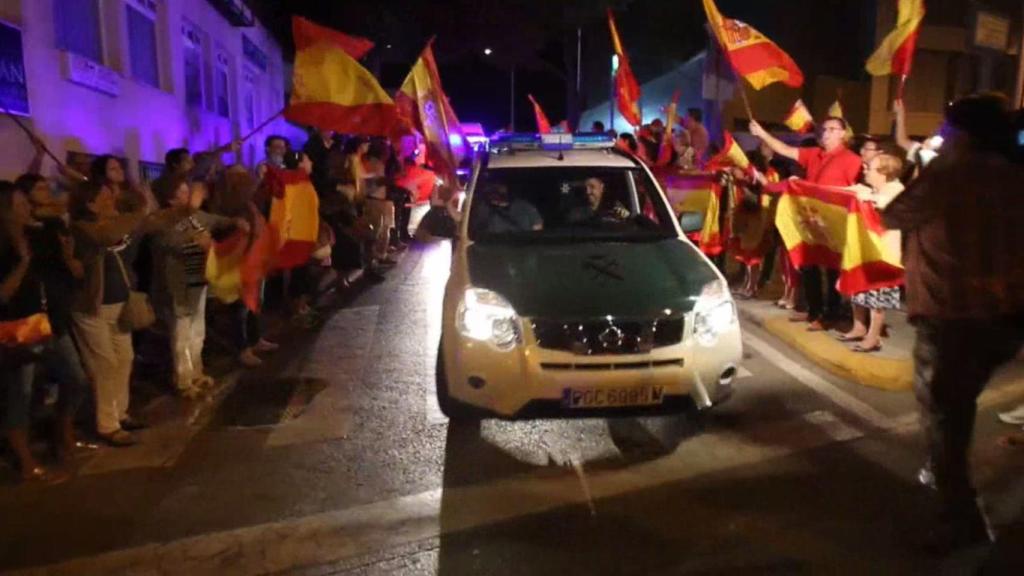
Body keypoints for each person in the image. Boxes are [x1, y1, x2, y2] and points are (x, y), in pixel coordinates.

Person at [882, 93, 1024, 551]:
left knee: (944, 417)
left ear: (961, 134)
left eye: (947, 130)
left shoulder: (950, 174)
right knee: (956, 409)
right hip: (1003, 317)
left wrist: (927, 167)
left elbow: (894, 213)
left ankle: (961, 519)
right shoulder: (1013, 174)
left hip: (951, 316)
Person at [68, 179, 174, 446]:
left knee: (124, 358)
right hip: (92, 308)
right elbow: (107, 236)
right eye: (104, 197)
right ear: (89, 204)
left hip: (120, 304)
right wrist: (138, 212)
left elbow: (152, 224)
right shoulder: (82, 228)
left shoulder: (116, 224)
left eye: (111, 196)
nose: (111, 201)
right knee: (104, 364)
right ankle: (107, 424)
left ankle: (120, 412)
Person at [1, 181, 88, 483]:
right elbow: (4, 295)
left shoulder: (39, 234)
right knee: (20, 393)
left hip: (50, 321)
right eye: (20, 204)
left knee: (75, 379)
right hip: (17, 327)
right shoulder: (6, 246)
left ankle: (62, 433)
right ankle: (25, 460)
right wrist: (22, 261)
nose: (27, 208)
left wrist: (67, 257)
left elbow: (71, 271)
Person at [750, 116, 862, 331]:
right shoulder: (814, 154)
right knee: (808, 264)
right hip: (810, 221)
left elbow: (853, 191)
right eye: (824, 128)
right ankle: (813, 310)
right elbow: (784, 149)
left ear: (843, 133)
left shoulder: (851, 159)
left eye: (832, 129)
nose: (826, 132)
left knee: (832, 270)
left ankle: (830, 315)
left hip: (832, 224)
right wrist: (762, 133)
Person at [150, 175, 241, 397]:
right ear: (170, 199)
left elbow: (217, 221)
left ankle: (196, 372)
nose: (188, 196)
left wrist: (236, 222)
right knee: (182, 333)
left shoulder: (196, 217)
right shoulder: (162, 220)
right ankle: (183, 380)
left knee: (197, 330)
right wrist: (193, 240)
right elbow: (168, 242)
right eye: (182, 192)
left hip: (197, 282)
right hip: (177, 285)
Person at [208, 167, 278, 367]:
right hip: (239, 263)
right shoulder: (226, 206)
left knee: (254, 303)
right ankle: (242, 348)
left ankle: (255, 339)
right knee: (240, 309)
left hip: (254, 261)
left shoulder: (247, 203)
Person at [838, 154, 904, 353]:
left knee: (877, 298)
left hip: (885, 254)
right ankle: (859, 327)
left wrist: (869, 197)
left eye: (870, 168)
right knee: (858, 289)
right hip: (866, 250)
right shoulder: (868, 189)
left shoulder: (896, 189)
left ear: (884, 173)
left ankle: (873, 338)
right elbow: (844, 191)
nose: (865, 170)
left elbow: (887, 203)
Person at [472, 182, 543, 234]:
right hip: (493, 246)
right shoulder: (483, 209)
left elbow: (537, 230)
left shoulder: (526, 207)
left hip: (522, 247)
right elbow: (476, 229)